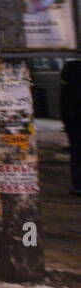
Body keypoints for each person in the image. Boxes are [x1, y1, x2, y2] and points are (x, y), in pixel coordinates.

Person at [59, 60, 81, 197]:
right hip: (75, 124)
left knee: (77, 155)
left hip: (74, 127)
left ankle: (78, 185)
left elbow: (64, 110)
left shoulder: (66, 88)